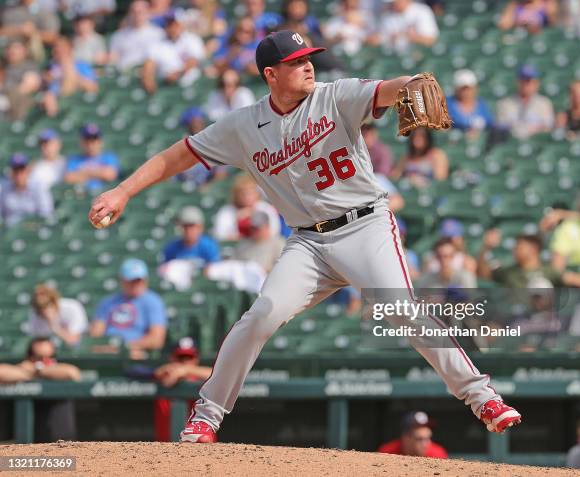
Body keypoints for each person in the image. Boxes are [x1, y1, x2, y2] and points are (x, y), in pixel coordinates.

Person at [88, 29, 522, 443]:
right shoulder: (243, 126)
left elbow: (390, 88)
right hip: (308, 244)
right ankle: (206, 416)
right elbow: (178, 155)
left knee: (401, 309)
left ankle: (482, 397)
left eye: (308, 58)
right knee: (262, 315)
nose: (308, 66)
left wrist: (409, 83)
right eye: (295, 62)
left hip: (365, 226)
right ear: (270, 75)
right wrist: (123, 191)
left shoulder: (334, 96)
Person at [0, 338, 80, 442]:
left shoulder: (59, 370)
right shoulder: (23, 370)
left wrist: (38, 370)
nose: (44, 361)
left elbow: (73, 373)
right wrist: (32, 371)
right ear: (29, 358)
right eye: (38, 358)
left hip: (59, 440)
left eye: (48, 358)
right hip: (24, 440)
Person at [91, 259, 168, 355]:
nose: (135, 285)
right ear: (122, 280)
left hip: (136, 352)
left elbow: (156, 339)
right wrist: (105, 348)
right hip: (108, 351)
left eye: (138, 281)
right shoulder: (108, 302)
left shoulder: (153, 302)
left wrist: (125, 348)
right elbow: (95, 335)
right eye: (131, 281)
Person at [154, 337, 212, 442]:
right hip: (166, 448)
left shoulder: (203, 377)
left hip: (203, 448)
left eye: (189, 358)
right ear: (172, 358)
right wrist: (166, 371)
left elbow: (221, 376)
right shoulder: (165, 373)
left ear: (197, 359)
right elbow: (142, 372)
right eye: (181, 358)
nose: (185, 362)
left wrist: (187, 370)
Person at [141, 12, 206, 93]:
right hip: (165, 85)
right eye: (169, 24)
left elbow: (194, 61)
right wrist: (148, 79)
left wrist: (178, 73)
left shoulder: (192, 39)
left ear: (181, 24)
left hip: (191, 85)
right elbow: (149, 65)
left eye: (175, 24)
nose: (172, 28)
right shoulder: (158, 44)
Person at [41, 36, 98, 117]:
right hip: (54, 99)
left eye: (62, 47)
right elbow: (45, 84)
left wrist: (69, 72)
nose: (58, 50)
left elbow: (92, 87)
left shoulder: (81, 65)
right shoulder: (50, 67)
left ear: (69, 49)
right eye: (56, 47)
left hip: (75, 99)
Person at [212, 173, 280, 241]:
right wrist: (236, 219)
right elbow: (219, 234)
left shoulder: (265, 208)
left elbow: (274, 231)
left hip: (262, 246)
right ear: (236, 195)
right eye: (243, 194)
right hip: (238, 247)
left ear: (257, 194)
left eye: (250, 193)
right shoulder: (227, 211)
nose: (247, 197)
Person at [497, 65, 554, 139]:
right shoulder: (505, 104)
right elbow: (501, 128)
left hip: (536, 144)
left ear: (536, 83)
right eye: (522, 81)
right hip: (512, 144)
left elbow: (548, 128)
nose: (525, 85)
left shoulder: (544, 104)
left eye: (528, 81)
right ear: (517, 82)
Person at [0, 153, 54, 227]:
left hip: (34, 231)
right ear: (11, 172)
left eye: (21, 169)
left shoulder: (38, 187)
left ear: (28, 170)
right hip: (11, 231)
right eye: (15, 170)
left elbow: (46, 214)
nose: (19, 174)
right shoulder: (4, 187)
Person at [109, 0, 165, 71]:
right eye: (133, 12)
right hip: (122, 74)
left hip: (146, 74)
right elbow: (113, 58)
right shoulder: (118, 35)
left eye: (140, 12)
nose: (137, 15)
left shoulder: (158, 34)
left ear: (148, 13)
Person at [64, 123, 120, 194]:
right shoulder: (74, 159)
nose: (91, 144)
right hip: (81, 196)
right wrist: (99, 173)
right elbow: (69, 178)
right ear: (82, 142)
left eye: (94, 139)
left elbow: (110, 175)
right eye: (87, 139)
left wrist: (82, 174)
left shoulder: (109, 157)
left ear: (100, 141)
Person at [0, 39, 41, 120]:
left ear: (25, 51)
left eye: (16, 48)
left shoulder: (30, 67)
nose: (12, 51)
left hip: (15, 107)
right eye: (10, 48)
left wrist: (5, 91)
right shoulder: (4, 66)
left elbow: (26, 89)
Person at [378, 411, 448, 458]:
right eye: (420, 439)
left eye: (428, 438)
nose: (425, 444)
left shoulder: (437, 454)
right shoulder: (388, 453)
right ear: (406, 438)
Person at [446, 69, 495, 135]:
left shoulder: (482, 105)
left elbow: (489, 124)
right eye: (463, 89)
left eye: (469, 88)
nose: (466, 92)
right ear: (456, 89)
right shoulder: (447, 104)